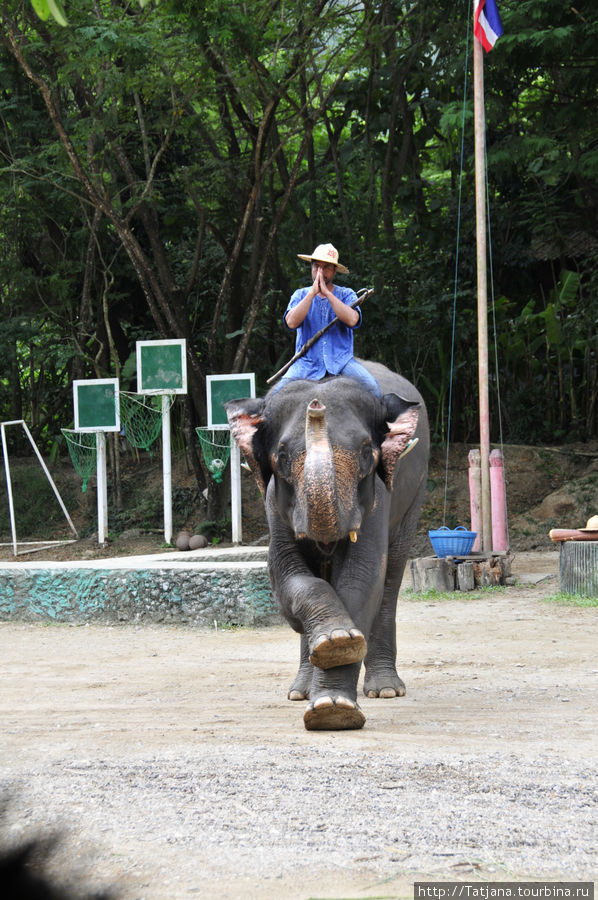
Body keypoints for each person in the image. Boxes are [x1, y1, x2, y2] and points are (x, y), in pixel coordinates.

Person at [274, 243, 381, 397]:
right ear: (311, 268)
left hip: (342, 362)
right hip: (305, 364)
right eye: (317, 266)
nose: (320, 272)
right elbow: (291, 322)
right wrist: (312, 294)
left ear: (334, 270)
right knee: (275, 396)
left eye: (326, 268)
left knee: (372, 388)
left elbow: (352, 320)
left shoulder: (346, 294)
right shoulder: (300, 294)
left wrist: (327, 294)